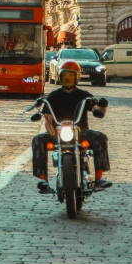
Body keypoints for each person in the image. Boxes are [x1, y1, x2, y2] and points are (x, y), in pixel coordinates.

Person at [31, 60, 112, 192]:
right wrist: (53, 134)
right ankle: (43, 180)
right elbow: (48, 119)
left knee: (101, 137)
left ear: (77, 77)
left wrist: (103, 106)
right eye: (65, 76)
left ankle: (99, 178)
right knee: (38, 139)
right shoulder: (53, 96)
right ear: (60, 77)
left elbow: (97, 109)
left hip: (81, 132)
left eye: (71, 76)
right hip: (57, 133)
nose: (68, 79)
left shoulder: (84, 96)